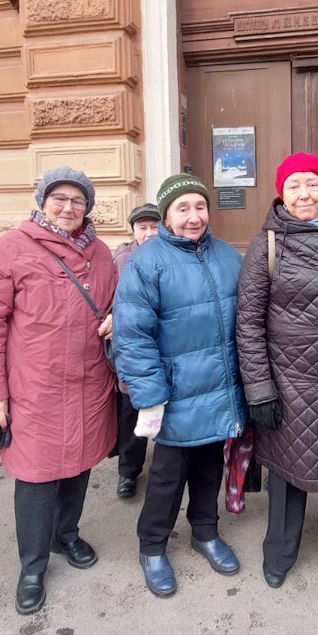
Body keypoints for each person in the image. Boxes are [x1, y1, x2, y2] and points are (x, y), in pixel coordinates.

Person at [0, 166, 117, 616]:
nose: (68, 207)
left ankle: (65, 535)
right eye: (59, 198)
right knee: (36, 477)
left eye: (77, 200)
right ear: (42, 201)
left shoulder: (103, 254)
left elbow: (118, 305)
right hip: (33, 388)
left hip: (89, 380)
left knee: (78, 465)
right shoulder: (13, 248)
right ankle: (32, 566)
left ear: (88, 207)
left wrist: (120, 319)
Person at [236, 153, 318, 590]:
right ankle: (280, 553)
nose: (304, 194)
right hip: (289, 381)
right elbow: (248, 322)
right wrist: (259, 390)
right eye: (294, 186)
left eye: (312, 184)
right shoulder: (266, 245)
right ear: (281, 193)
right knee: (289, 474)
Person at [113, 173, 247, 597]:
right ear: (167, 215)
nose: (194, 217)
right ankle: (152, 545)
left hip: (220, 390)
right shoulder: (146, 262)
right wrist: (150, 395)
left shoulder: (228, 256)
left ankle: (204, 531)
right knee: (168, 476)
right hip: (174, 394)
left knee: (210, 467)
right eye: (183, 209)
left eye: (200, 207)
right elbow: (132, 336)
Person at [111, 203, 162, 498]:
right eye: (142, 228)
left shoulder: (171, 252)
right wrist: (109, 315)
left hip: (164, 344)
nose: (149, 233)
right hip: (132, 347)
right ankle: (128, 471)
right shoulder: (120, 259)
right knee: (132, 410)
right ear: (133, 231)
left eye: (154, 227)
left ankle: (164, 470)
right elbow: (106, 297)